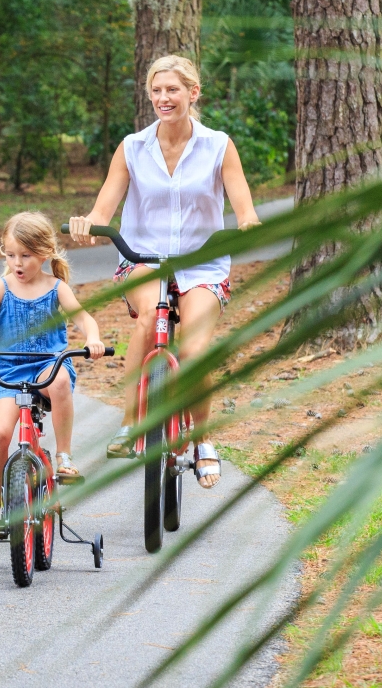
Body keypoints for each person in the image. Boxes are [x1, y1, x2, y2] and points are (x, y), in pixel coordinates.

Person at [68, 55, 260, 489]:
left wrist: (248, 224)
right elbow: (103, 209)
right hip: (141, 257)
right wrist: (88, 221)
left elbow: (244, 208)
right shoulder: (132, 147)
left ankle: (203, 440)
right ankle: (129, 424)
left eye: (172, 90)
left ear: (193, 93)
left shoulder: (218, 145)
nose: (163, 98)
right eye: (156, 90)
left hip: (203, 263)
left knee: (193, 350)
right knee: (145, 324)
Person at [0, 212, 105, 544]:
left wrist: (92, 338)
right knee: (1, 432)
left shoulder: (56, 288)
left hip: (49, 362)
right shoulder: (1, 288)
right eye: (10, 254)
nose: (17, 262)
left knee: (57, 381)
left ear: (44, 254)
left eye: (26, 255)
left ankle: (63, 456)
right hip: (10, 370)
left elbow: (84, 319)